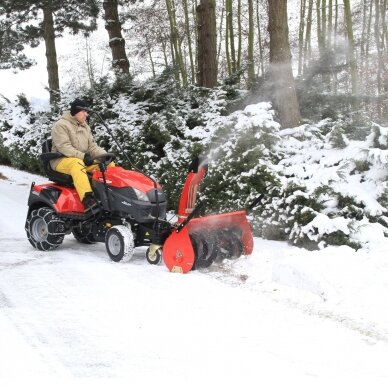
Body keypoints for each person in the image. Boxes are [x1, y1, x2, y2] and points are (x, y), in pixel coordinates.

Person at [50, 98, 114, 210]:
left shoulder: (85, 126)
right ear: (76, 111)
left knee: (108, 164)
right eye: (84, 111)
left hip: (81, 159)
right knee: (77, 164)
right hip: (60, 160)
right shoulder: (61, 125)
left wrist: (105, 155)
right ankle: (87, 199)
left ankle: (111, 194)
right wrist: (83, 156)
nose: (86, 114)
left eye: (87, 112)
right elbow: (64, 147)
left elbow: (92, 147)